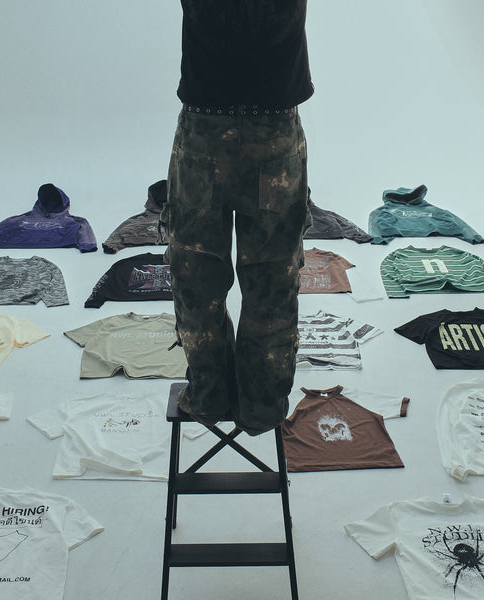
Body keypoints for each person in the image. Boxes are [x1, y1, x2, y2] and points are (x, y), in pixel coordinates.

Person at [160, 0, 314, 436]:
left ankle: (212, 396)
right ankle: (259, 405)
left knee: (199, 277)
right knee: (269, 279)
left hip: (207, 130)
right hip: (270, 129)